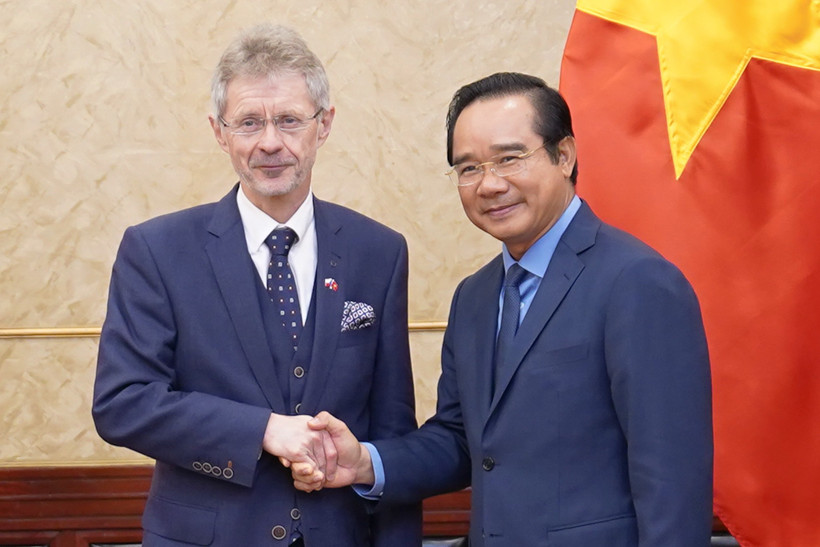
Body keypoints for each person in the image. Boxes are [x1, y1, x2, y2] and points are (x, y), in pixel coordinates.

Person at [293, 72, 714, 546]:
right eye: (468, 168)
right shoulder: (474, 296)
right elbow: (461, 441)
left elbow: (672, 481)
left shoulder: (637, 282)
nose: (489, 184)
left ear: (564, 156)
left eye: (510, 158)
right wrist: (365, 463)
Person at [92, 24, 420, 546]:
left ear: (324, 124)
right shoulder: (157, 250)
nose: (271, 142)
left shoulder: (378, 252)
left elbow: (394, 431)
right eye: (249, 122)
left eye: (289, 120)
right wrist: (263, 430)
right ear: (219, 131)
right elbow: (123, 402)